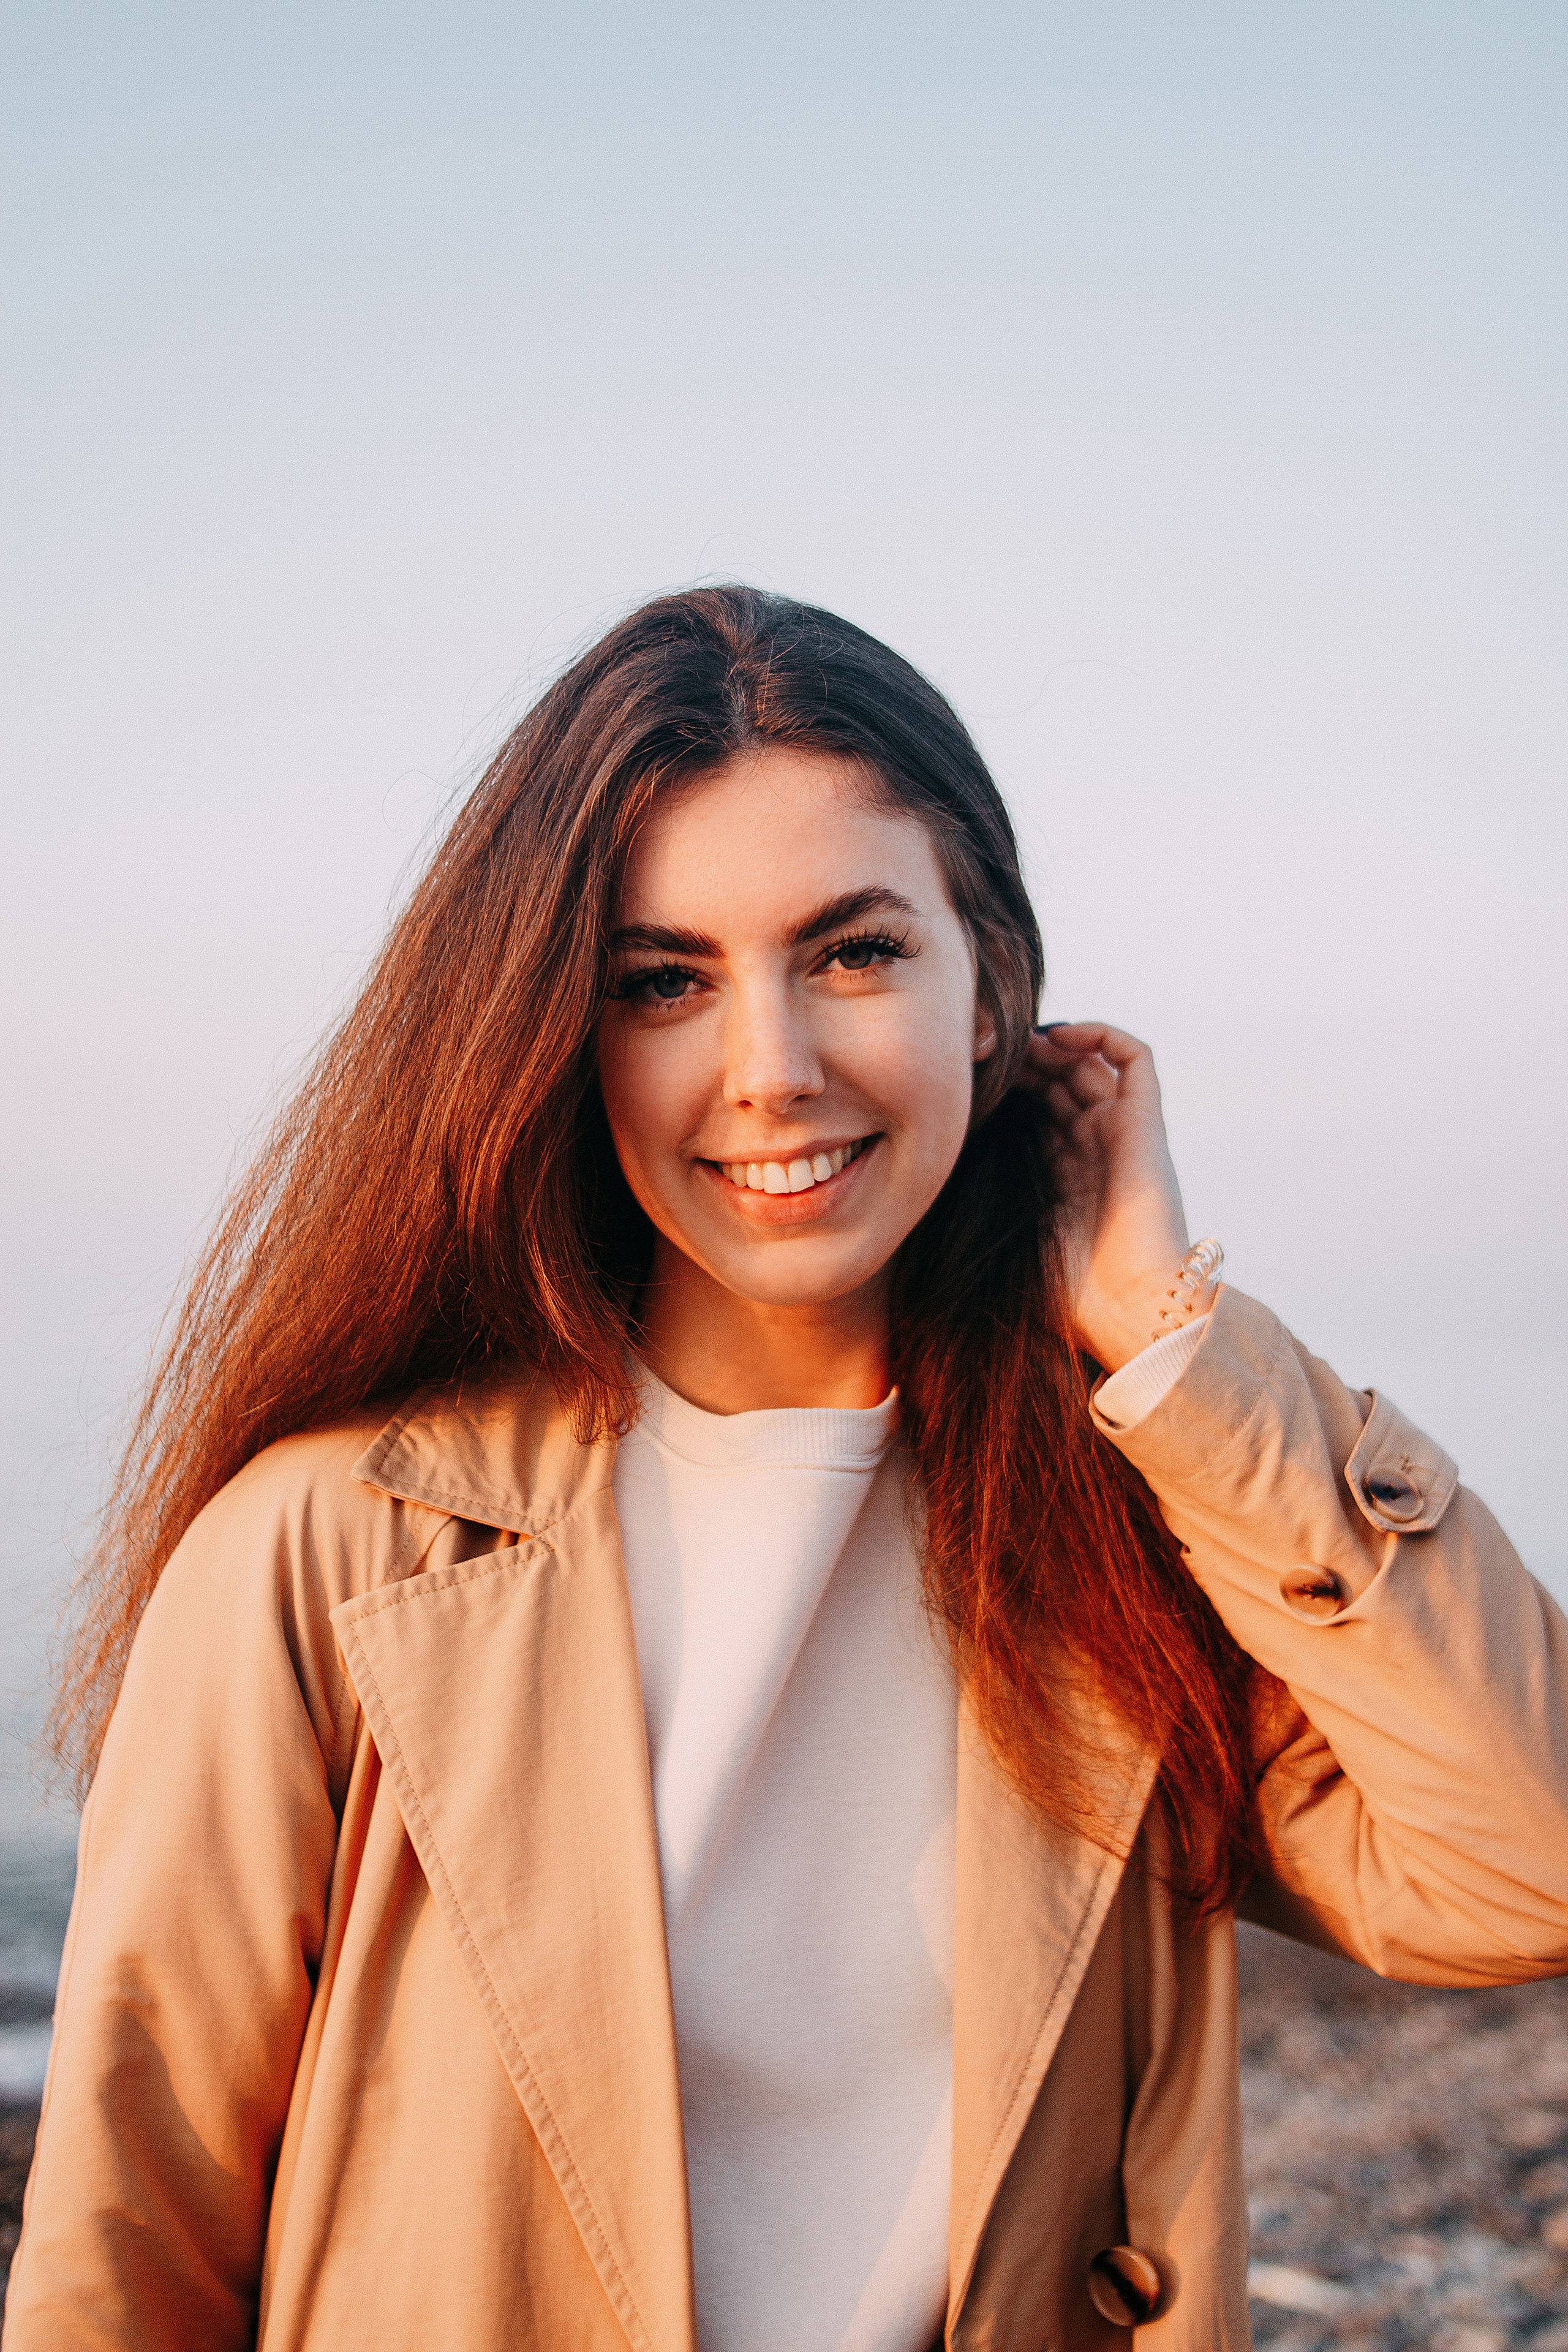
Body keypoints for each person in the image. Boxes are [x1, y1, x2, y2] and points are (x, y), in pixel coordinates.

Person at [7, 587, 1567, 2352]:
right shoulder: (338, 1553)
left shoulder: (1138, 1534)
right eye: (662, 982)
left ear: (993, 994)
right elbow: (128, 2249)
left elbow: (1527, 1866)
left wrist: (1179, 1342)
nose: (772, 1070)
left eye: (855, 953)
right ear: (561, 1037)